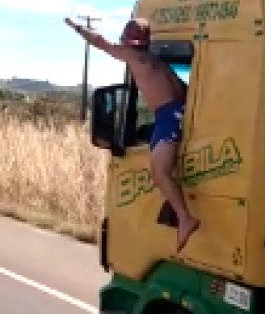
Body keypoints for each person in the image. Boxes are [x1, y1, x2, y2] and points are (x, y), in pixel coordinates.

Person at [65, 17, 201, 252]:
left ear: (128, 41)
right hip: (171, 115)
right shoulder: (155, 61)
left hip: (168, 117)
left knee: (160, 173)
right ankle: (179, 213)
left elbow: (99, 41)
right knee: (163, 171)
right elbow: (182, 92)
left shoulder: (134, 57)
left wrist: (77, 28)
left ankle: (185, 219)